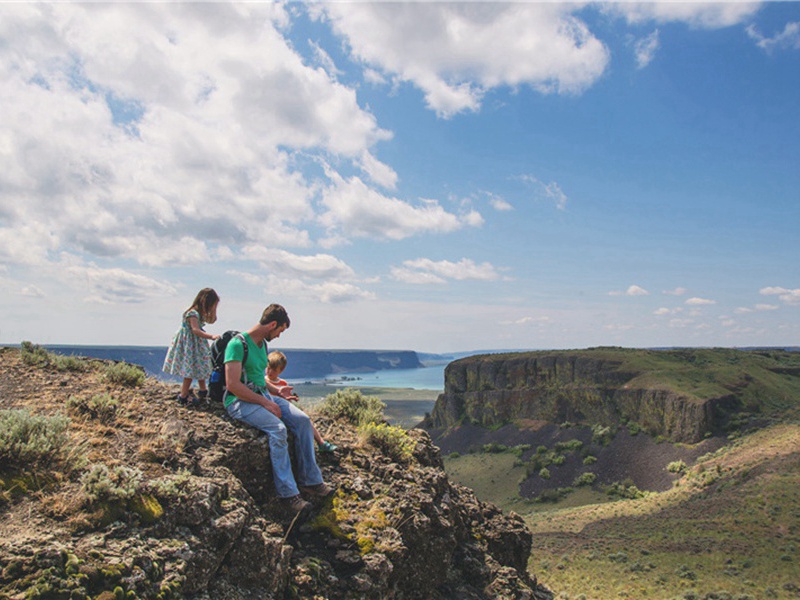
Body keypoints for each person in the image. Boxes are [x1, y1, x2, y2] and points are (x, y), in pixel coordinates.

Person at [223, 303, 333, 514]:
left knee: (303, 421)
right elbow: (233, 385)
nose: (279, 336)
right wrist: (266, 402)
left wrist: (277, 391)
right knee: (278, 429)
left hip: (261, 395)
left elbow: (258, 379)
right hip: (239, 401)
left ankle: (311, 481)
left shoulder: (262, 345)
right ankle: (288, 495)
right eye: (280, 330)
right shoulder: (237, 345)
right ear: (273, 324)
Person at [267, 351, 338, 454]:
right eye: (268, 368)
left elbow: (286, 401)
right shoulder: (263, 381)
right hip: (271, 411)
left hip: (283, 411)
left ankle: (321, 442)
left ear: (281, 370)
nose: (269, 372)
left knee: (306, 420)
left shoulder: (283, 383)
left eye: (274, 370)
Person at [163, 288, 221, 405]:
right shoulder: (192, 313)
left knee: (200, 364)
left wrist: (214, 310)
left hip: (196, 343)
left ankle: (203, 390)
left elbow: (212, 320)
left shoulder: (198, 313)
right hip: (190, 344)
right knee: (190, 369)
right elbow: (195, 330)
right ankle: (183, 395)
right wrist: (211, 336)